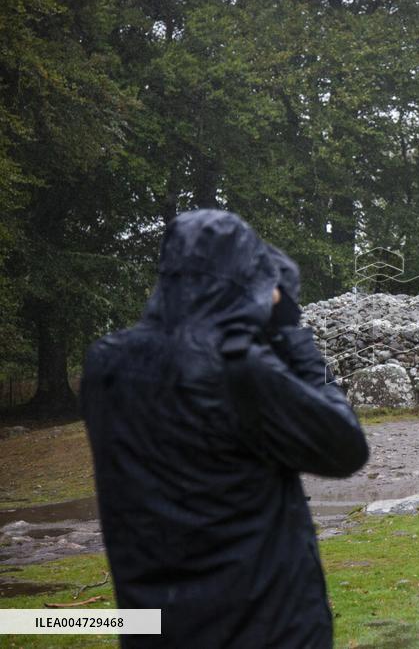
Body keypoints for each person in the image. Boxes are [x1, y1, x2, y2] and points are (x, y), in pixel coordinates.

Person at [80, 210, 369, 648]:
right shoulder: (237, 372)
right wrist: (291, 335)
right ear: (245, 283)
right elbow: (346, 445)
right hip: (261, 626)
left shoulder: (106, 364)